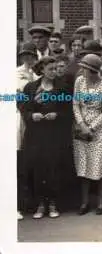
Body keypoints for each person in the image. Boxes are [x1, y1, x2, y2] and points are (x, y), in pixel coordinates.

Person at [19, 56, 70, 219]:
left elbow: (69, 112)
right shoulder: (30, 87)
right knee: (38, 167)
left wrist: (57, 115)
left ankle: (53, 203)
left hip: (55, 134)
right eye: (51, 69)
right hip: (36, 134)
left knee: (53, 167)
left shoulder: (62, 88)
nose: (55, 72)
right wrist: (31, 115)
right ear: (42, 70)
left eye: (56, 69)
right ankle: (40, 204)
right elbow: (23, 108)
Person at [73, 54, 102, 215]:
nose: (82, 71)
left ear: (93, 71)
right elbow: (75, 104)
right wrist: (82, 125)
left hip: (99, 131)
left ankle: (101, 202)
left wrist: (92, 127)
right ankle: (84, 202)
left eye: (85, 68)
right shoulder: (79, 82)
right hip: (81, 129)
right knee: (83, 166)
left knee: (100, 166)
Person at [16, 42, 39, 220]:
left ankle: (30, 202)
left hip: (33, 119)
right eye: (25, 56)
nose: (28, 58)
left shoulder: (36, 74)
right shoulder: (17, 74)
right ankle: (17, 205)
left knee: (29, 163)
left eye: (31, 55)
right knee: (18, 162)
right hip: (19, 119)